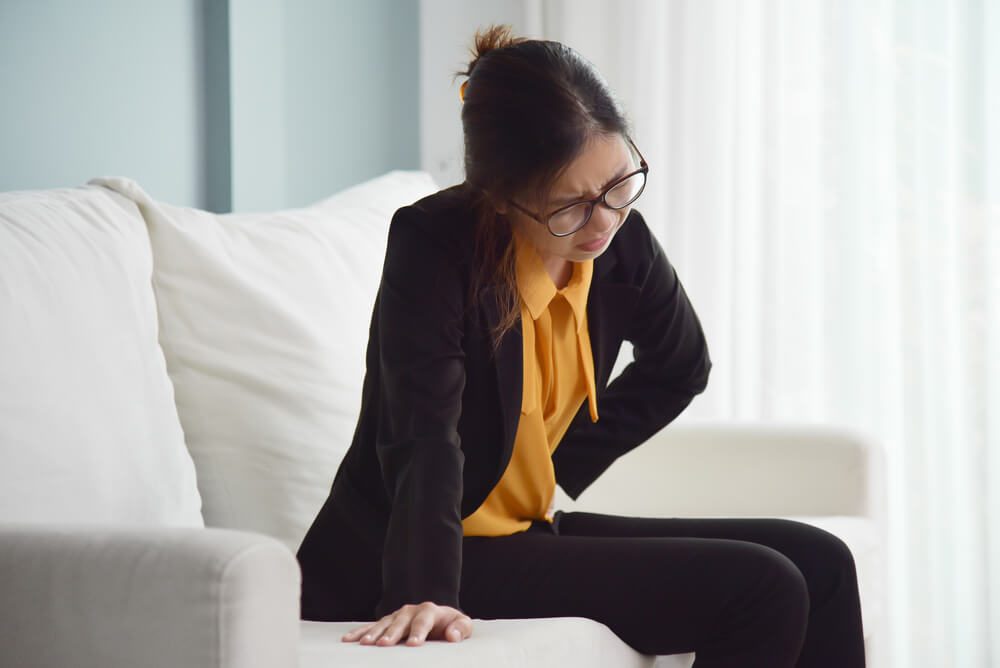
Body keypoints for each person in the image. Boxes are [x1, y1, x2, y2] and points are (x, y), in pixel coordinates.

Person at [295, 24, 867, 667]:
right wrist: (423, 589)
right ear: (502, 198)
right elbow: (422, 426)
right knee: (763, 586)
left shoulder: (620, 238)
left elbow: (679, 366)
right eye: (570, 206)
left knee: (822, 561)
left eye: (619, 185)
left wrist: (556, 463)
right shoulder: (435, 243)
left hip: (520, 532)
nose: (604, 222)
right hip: (418, 552)